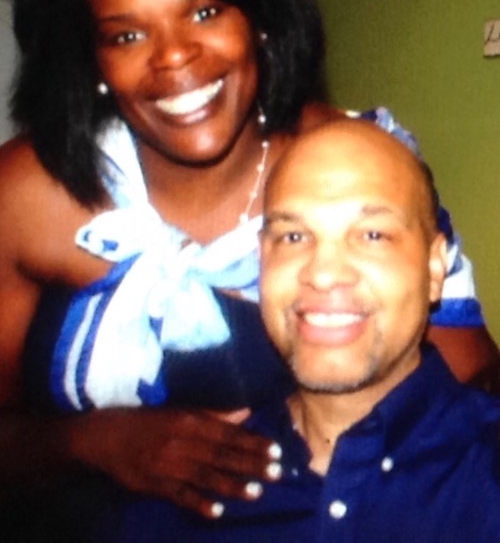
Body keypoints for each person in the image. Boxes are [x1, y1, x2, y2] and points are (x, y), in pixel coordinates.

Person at [0, 0, 497, 539]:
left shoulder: (346, 166)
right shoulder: (27, 193)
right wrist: (98, 442)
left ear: (258, 18)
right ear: (93, 61)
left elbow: (471, 390)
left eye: (205, 12)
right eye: (127, 34)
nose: (175, 58)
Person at [98, 119, 500, 542]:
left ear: (435, 269)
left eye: (372, 235)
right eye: (293, 237)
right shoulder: (171, 510)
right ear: (262, 262)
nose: (323, 274)